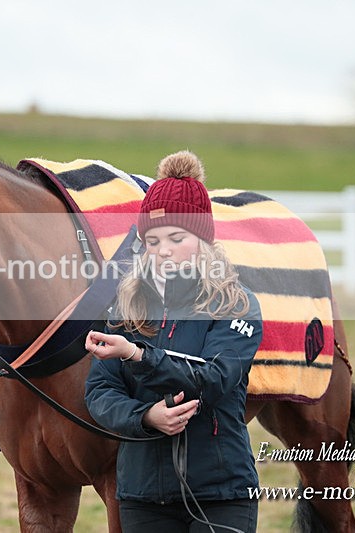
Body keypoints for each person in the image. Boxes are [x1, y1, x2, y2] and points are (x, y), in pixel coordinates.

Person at [84, 150, 263, 533]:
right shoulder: (126, 305)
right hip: (142, 496)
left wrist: (136, 354)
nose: (163, 249)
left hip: (222, 494)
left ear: (203, 239)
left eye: (176, 237)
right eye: (151, 239)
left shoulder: (236, 303)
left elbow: (213, 380)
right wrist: (145, 418)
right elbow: (100, 391)